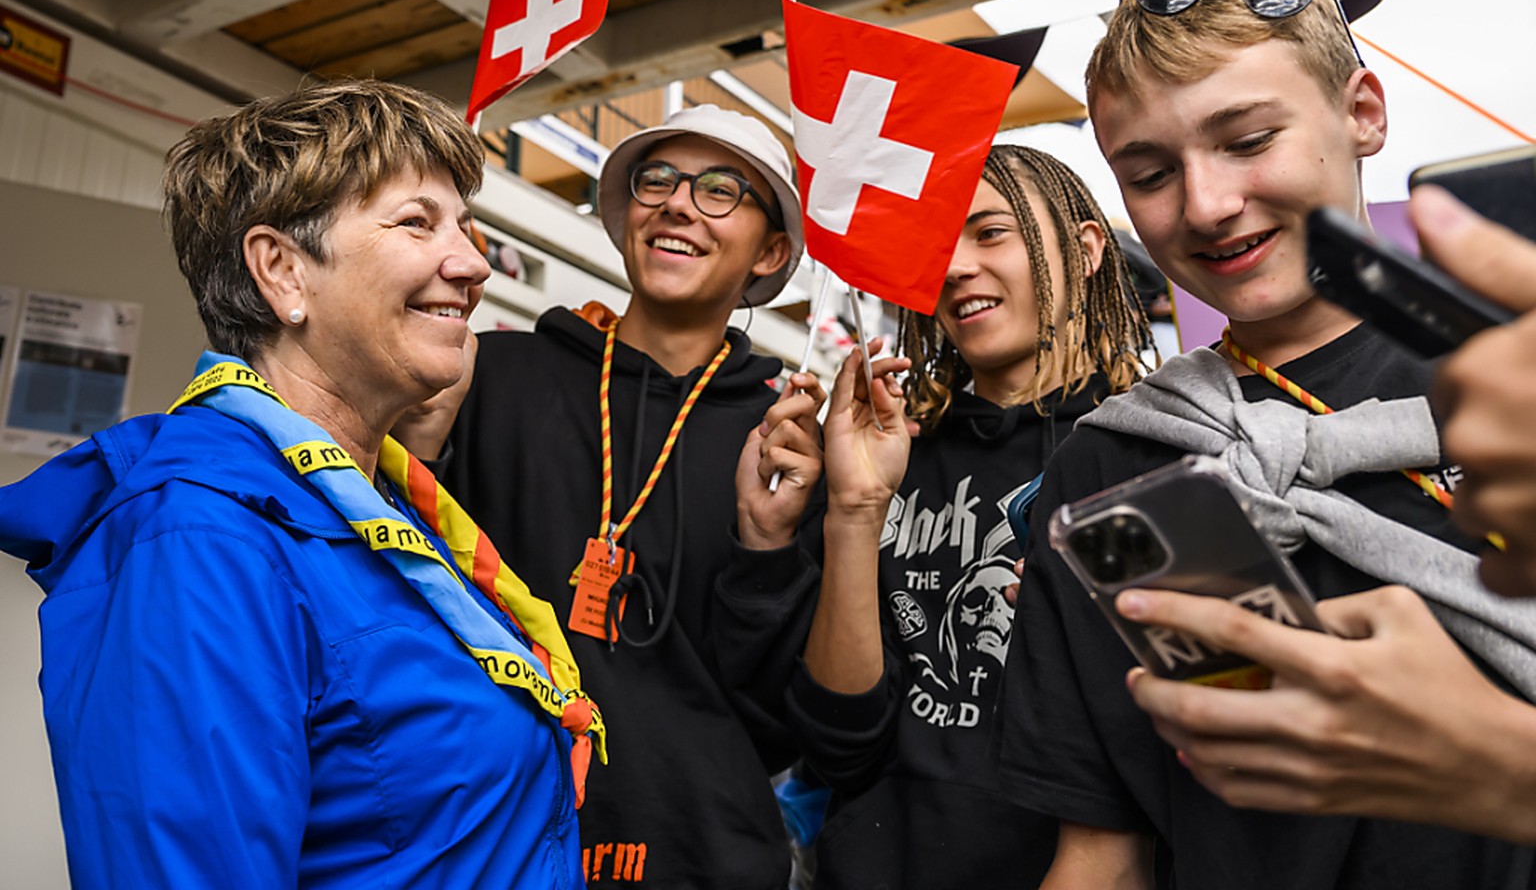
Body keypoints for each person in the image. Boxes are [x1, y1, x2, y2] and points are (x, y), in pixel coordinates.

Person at [996, 0, 1536, 889]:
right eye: (1150, 173)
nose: (1206, 204)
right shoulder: (1112, 466)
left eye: (1248, 141)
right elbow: (1103, 849)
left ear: (1362, 112)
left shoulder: (1513, 376)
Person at [0, 80, 602, 888]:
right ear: (282, 271)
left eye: (467, 226)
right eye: (418, 223)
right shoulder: (200, 539)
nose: (474, 264)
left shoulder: (375, 508)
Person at [393, 103, 827, 889]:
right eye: (658, 180)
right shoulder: (490, 376)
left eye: (721, 190)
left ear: (770, 250)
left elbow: (778, 720)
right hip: (488, 840)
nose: (679, 203)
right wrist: (421, 439)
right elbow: (401, 605)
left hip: (703, 859)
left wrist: (766, 548)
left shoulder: (785, 438)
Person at [782, 145, 1154, 888]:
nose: (954, 267)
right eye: (937, 244)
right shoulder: (887, 453)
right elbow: (840, 747)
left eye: (989, 233)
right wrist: (855, 510)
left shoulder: (1153, 453)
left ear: (1083, 250)